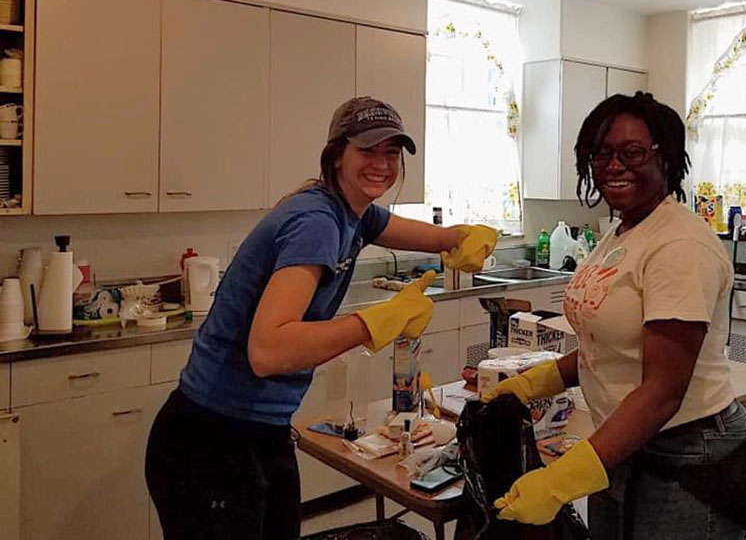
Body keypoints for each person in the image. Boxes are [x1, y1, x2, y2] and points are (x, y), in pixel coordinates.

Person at [146, 97, 497, 540]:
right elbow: (268, 351)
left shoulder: (353, 213)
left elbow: (412, 232)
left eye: (392, 153)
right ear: (336, 155)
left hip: (257, 429)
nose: (382, 164)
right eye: (367, 151)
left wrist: (459, 238)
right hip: (211, 439)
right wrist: (376, 322)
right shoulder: (317, 221)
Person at [485, 91, 746, 540]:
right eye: (602, 153)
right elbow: (605, 346)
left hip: (684, 453)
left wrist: (562, 479)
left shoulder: (679, 246)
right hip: (620, 445)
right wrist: (535, 383)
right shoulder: (622, 230)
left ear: (665, 158)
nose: (614, 166)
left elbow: (663, 391)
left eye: (631, 153)